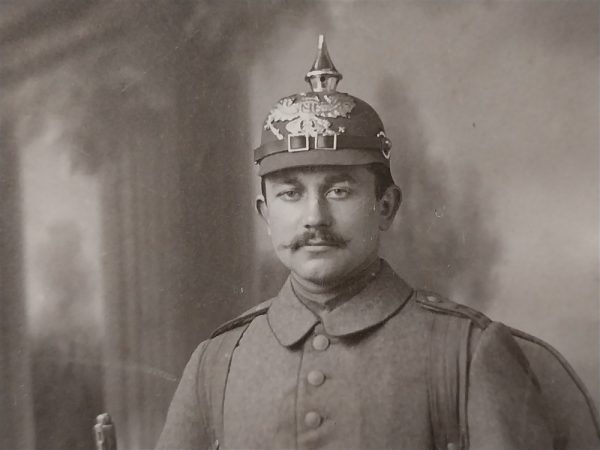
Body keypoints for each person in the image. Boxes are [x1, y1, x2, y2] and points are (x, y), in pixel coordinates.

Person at [156, 35, 600, 450]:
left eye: (339, 190)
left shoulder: (464, 353)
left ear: (385, 206)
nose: (314, 217)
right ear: (266, 214)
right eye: (291, 193)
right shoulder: (216, 363)